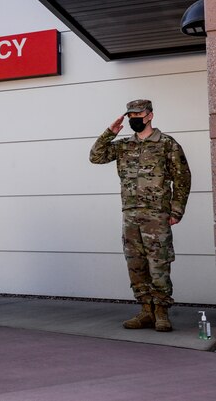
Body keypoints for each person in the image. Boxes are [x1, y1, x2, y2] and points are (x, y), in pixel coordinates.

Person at [90, 99, 191, 332]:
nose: (134, 118)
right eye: (130, 115)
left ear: (150, 115)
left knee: (159, 264)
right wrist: (109, 133)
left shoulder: (167, 144)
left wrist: (176, 211)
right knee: (135, 264)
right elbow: (96, 156)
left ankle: (161, 312)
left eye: (139, 114)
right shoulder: (124, 145)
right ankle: (145, 311)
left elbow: (182, 178)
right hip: (130, 215)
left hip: (157, 216)